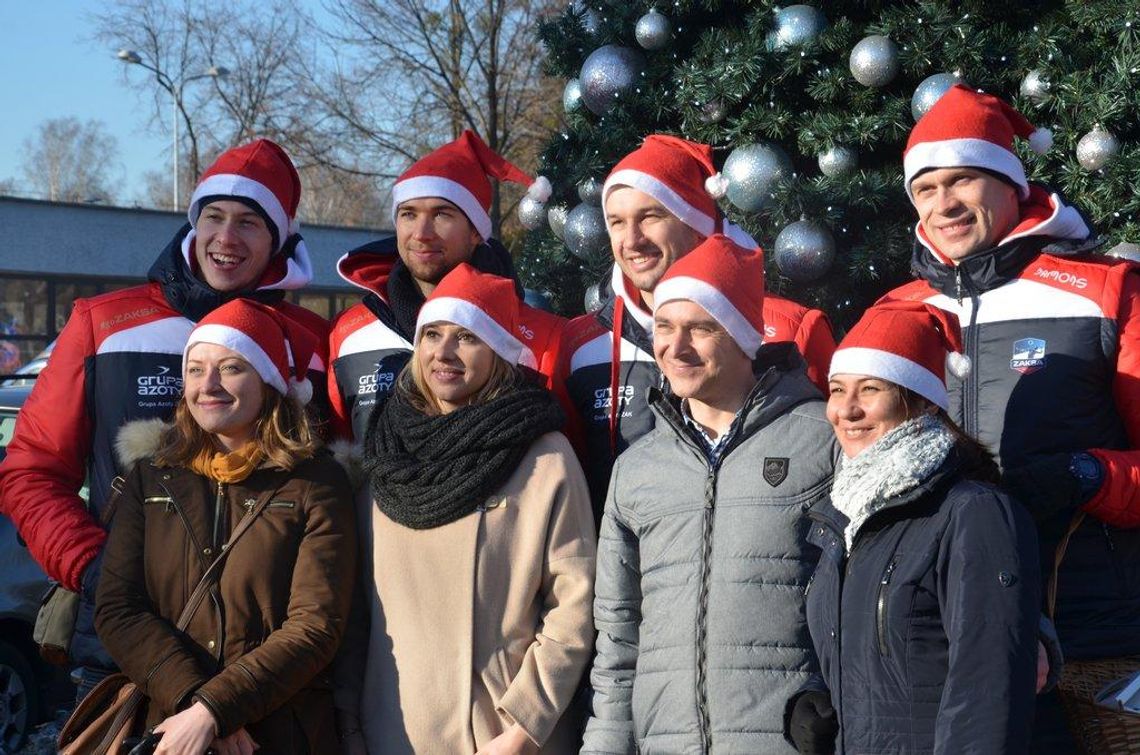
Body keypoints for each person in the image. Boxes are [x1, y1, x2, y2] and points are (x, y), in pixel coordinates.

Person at [0, 138, 330, 700]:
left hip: (265, 653)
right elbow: (31, 471)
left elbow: (332, 489)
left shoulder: (314, 342)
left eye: (250, 222)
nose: (226, 239)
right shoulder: (104, 325)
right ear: (193, 223)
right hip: (128, 648)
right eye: (214, 217)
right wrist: (95, 568)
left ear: (278, 237)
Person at [878, 84, 1140, 749]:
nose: (943, 205)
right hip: (948, 627)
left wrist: (1087, 474)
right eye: (925, 189)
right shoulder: (895, 313)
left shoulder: (1106, 291)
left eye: (961, 179)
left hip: (1092, 634)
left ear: (1009, 181)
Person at [583, 234, 838, 754]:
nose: (675, 348)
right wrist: (606, 745)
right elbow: (618, 635)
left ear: (743, 336)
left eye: (700, 328)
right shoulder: (636, 469)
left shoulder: (824, 439)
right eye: (663, 327)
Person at [336, 264, 596, 754]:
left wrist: (523, 727)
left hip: (503, 732)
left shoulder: (543, 454)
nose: (444, 353)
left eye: (467, 337)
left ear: (497, 351)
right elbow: (355, 616)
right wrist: (350, 725)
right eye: (432, 334)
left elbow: (573, 606)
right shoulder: (386, 450)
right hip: (391, 730)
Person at [94, 299, 356, 755]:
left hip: (279, 732)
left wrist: (215, 710)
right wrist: (196, 706)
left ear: (268, 381)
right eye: (195, 370)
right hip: (167, 728)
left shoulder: (316, 481)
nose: (208, 385)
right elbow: (119, 609)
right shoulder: (153, 475)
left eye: (231, 367)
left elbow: (315, 625)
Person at [785, 299, 1040, 754]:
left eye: (870, 389)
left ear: (921, 401)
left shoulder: (971, 512)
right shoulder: (845, 516)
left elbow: (986, 692)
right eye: (837, 390)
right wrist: (815, 698)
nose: (846, 410)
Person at [555, 134, 836, 515]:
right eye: (617, 223)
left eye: (651, 216)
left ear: (696, 223)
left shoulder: (788, 330)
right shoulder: (580, 346)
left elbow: (831, 464)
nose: (632, 240)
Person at [328, 130, 566, 441]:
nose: (422, 233)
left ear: (476, 233)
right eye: (408, 214)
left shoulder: (543, 337)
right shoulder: (347, 334)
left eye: (442, 214)